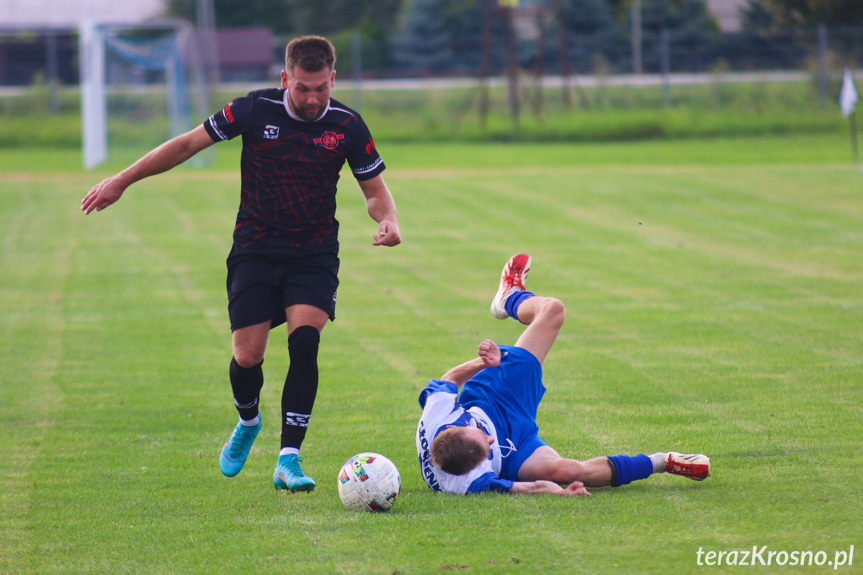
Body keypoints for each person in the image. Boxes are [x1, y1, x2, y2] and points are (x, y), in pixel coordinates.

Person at [82, 35, 401, 493]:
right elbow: (188, 144)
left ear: (333, 79)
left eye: (321, 89)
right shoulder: (252, 110)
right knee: (247, 356)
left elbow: (374, 191)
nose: (312, 99)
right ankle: (248, 421)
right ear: (285, 78)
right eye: (302, 88)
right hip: (255, 248)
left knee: (305, 343)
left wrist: (388, 220)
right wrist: (122, 180)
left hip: (313, 253)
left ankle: (289, 457)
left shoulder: (348, 125)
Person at [416, 254, 710, 496]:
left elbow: (451, 378)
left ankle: (509, 297)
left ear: (455, 427)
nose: (489, 440)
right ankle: (663, 461)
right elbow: (525, 487)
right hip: (513, 452)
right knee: (567, 471)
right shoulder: (467, 483)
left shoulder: (436, 415)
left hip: (495, 398)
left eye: (482, 436)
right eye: (485, 449)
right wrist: (561, 493)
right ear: (475, 465)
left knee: (553, 310)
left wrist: (484, 363)